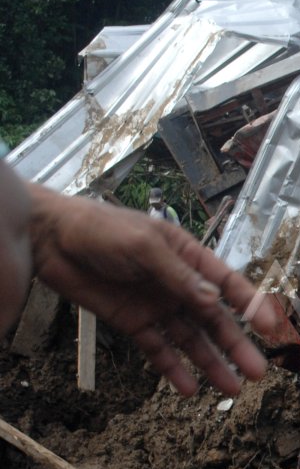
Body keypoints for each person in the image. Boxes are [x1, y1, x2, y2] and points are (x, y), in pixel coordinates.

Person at [1, 160, 275, 397]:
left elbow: (171, 233)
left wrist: (41, 220)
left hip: (165, 254)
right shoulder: (152, 212)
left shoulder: (167, 213)